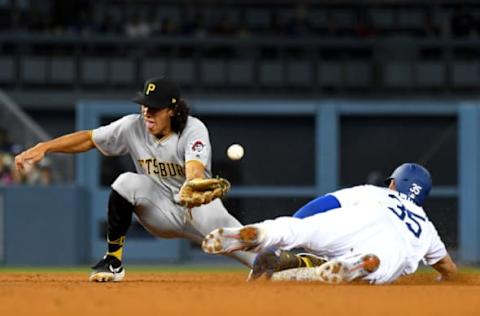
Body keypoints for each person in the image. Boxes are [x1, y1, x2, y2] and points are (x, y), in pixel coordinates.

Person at [14, 77, 256, 282]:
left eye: (155, 108)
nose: (147, 112)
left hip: (198, 208)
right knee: (126, 182)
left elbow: (194, 168)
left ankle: (285, 263)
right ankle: (113, 261)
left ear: (172, 110)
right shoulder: (132, 126)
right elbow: (89, 138)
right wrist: (46, 147)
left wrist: (192, 183)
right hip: (161, 212)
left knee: (258, 258)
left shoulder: (193, 129)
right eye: (144, 105)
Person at [202, 163, 457, 284]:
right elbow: (448, 268)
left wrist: (287, 235)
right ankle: (358, 266)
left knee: (299, 229)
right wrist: (444, 279)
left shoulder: (375, 192)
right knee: (381, 265)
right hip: (392, 244)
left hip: (358, 218)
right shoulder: (425, 226)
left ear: (395, 182)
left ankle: (261, 232)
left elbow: (322, 205)